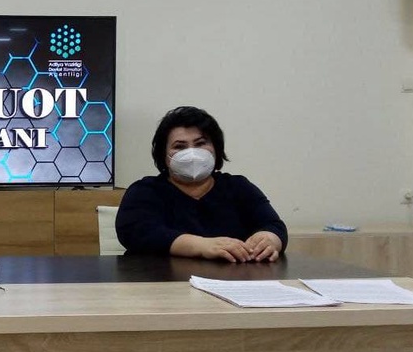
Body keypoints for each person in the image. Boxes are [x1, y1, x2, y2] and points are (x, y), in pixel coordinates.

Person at [115, 106, 287, 263]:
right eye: (179, 147)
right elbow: (136, 233)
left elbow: (273, 224)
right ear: (164, 156)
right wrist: (202, 246)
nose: (192, 153)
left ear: (216, 149)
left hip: (233, 281)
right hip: (161, 282)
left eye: (200, 144)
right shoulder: (145, 191)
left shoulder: (238, 187)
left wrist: (269, 238)